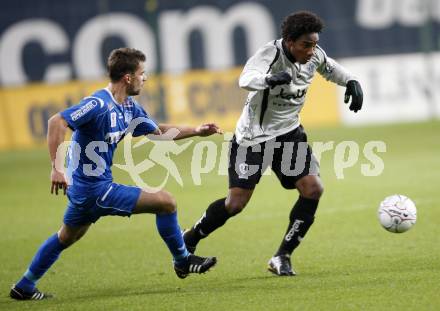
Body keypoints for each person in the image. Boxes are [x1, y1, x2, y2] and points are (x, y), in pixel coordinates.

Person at [10, 47, 222, 300]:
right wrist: (57, 168)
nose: (146, 78)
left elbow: (158, 132)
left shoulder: (128, 107)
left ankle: (24, 285)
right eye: (142, 73)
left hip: (87, 190)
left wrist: (197, 130)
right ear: (128, 77)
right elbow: (57, 121)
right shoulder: (97, 104)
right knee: (166, 202)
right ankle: (183, 260)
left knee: (66, 237)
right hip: (94, 189)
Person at [183, 11, 363, 276]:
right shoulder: (269, 55)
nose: (312, 51)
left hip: (289, 135)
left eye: (314, 44)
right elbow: (245, 78)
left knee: (313, 189)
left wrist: (351, 81)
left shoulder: (315, 56)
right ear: (289, 41)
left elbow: (331, 68)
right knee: (235, 204)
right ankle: (191, 237)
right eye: (306, 45)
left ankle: (282, 256)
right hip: (252, 139)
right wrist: (267, 79)